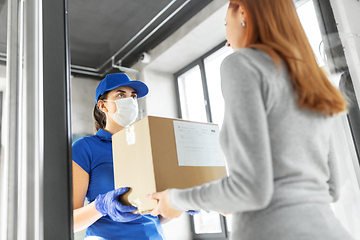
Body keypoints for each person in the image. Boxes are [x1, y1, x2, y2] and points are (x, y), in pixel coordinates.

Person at [148, 0, 355, 239]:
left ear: (243, 12)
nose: (227, 40)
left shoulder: (241, 63)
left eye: (226, 23)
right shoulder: (310, 79)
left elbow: (250, 189)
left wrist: (175, 199)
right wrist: (227, 198)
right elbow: (330, 189)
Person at [72, 73, 166, 239]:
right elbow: (70, 221)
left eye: (133, 96)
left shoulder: (146, 145)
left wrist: (179, 202)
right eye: (121, 95)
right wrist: (100, 207)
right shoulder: (85, 148)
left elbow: (151, 214)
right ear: (103, 105)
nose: (130, 101)